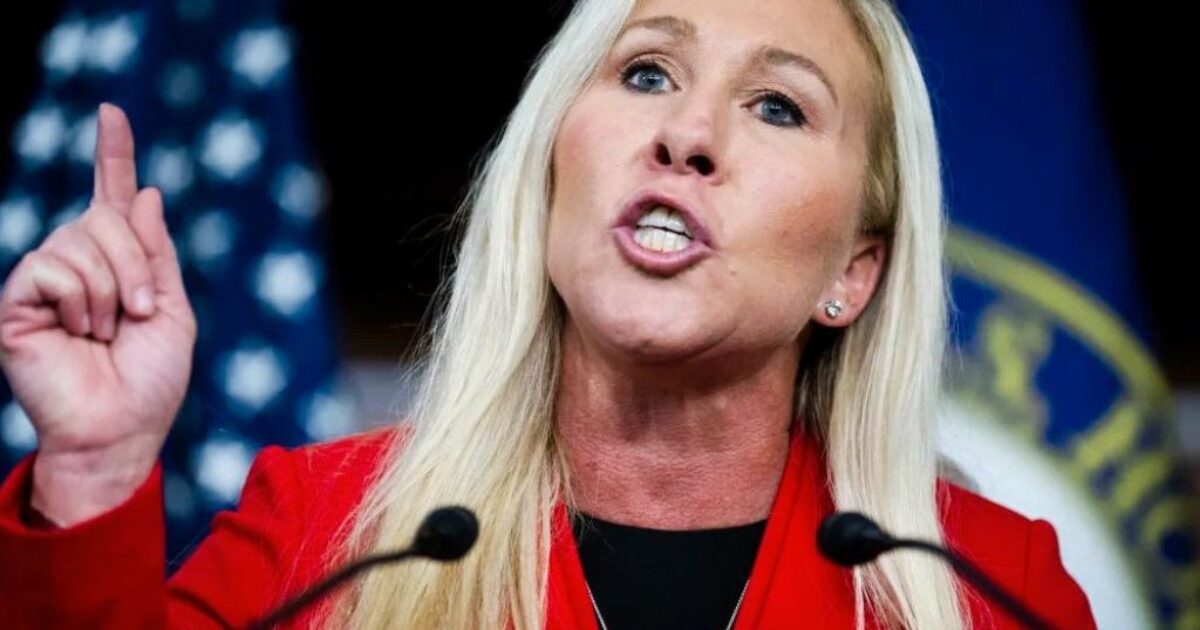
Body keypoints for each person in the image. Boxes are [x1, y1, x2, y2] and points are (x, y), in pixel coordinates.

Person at [0, 0, 1096, 628]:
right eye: (648, 73)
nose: (688, 134)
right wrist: (93, 475)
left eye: (777, 104)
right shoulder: (326, 536)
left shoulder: (991, 591)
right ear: (550, 174)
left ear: (852, 274)